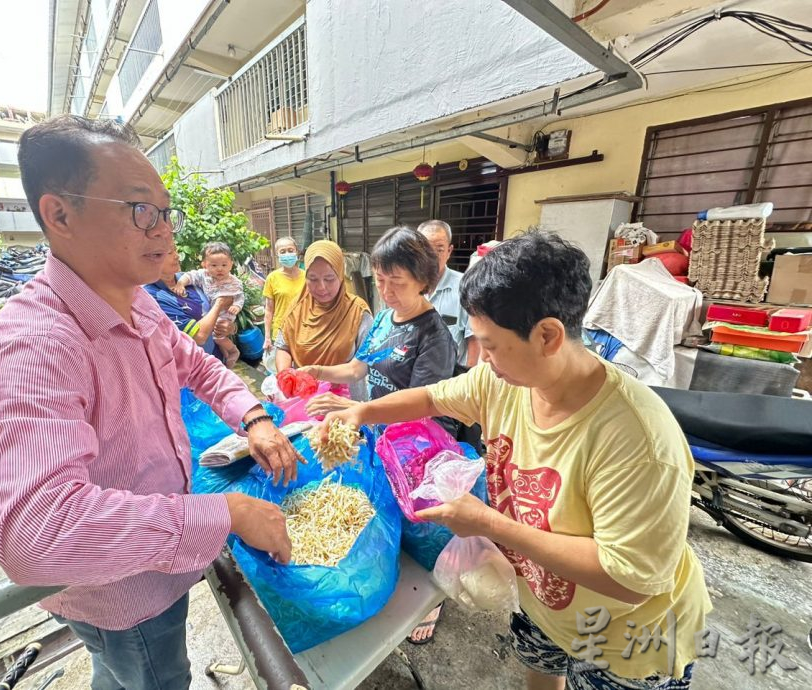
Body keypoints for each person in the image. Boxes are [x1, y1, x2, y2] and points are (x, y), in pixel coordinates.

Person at [0, 115, 301, 690]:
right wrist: (227, 513)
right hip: (121, 593)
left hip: (160, 560)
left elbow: (196, 365)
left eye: (165, 212)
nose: (163, 231)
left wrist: (255, 417)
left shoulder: (136, 300)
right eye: (141, 209)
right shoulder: (31, 346)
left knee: (123, 676)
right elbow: (35, 536)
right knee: (154, 677)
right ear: (59, 215)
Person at [322, 232, 712, 689]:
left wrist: (490, 523)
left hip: (625, 636)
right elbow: (430, 397)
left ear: (547, 335)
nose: (482, 359)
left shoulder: (639, 441)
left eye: (489, 345)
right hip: (544, 601)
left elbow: (629, 579)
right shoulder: (503, 380)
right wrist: (360, 412)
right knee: (542, 674)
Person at [301, 226, 456, 435]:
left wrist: (355, 409)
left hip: (413, 443)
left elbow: (420, 408)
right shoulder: (384, 318)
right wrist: (317, 371)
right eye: (380, 280)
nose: (386, 291)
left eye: (397, 282)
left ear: (422, 280)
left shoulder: (434, 337)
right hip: (381, 434)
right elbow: (356, 369)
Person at [275, 240, 373, 398]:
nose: (321, 287)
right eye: (313, 279)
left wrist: (318, 372)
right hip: (304, 402)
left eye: (329, 279)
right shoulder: (297, 308)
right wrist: (285, 376)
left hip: (347, 405)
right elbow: (283, 347)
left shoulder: (357, 312)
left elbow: (363, 366)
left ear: (340, 275)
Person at [143, 245, 233, 363]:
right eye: (170, 252)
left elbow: (219, 307)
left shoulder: (188, 278)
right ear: (152, 259)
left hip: (217, 359)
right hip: (194, 368)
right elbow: (198, 337)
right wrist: (220, 303)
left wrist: (230, 327)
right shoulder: (152, 295)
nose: (177, 256)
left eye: (176, 250)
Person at [417, 220, 478, 369]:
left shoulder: (465, 287)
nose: (432, 256)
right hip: (413, 372)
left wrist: (467, 373)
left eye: (439, 249)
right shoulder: (408, 284)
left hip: (451, 375)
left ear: (449, 251)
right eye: (426, 249)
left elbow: (474, 338)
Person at [174, 242, 245, 368]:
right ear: (204, 264)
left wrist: (237, 306)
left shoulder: (234, 282)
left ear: (231, 264)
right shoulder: (203, 275)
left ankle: (233, 351)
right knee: (218, 338)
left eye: (224, 265)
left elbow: (239, 296)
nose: (219, 269)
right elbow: (190, 276)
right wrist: (180, 284)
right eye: (214, 265)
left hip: (226, 314)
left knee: (218, 337)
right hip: (213, 314)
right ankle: (226, 353)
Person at [263, 236, 306, 352]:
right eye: (282, 252)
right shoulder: (272, 278)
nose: (287, 254)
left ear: (296, 252)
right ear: (277, 255)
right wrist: (267, 337)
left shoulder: (307, 277)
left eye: (290, 250)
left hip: (304, 329)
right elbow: (269, 310)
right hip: (281, 331)